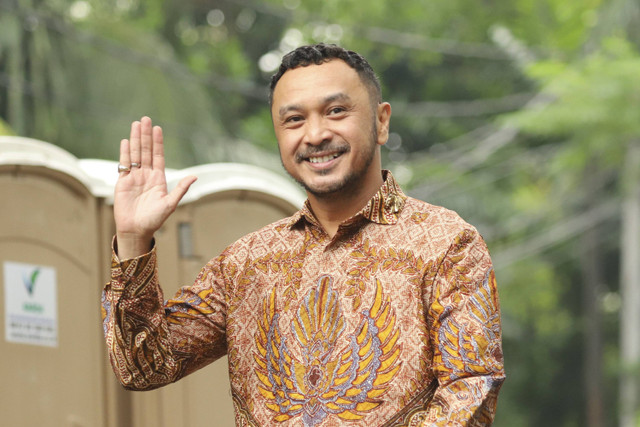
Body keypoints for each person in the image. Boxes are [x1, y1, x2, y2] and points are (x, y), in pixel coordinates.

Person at [102, 43, 505, 426]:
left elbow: (472, 387)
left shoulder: (446, 242)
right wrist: (133, 238)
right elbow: (142, 366)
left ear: (381, 121)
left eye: (335, 111)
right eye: (294, 119)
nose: (314, 135)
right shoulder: (246, 262)